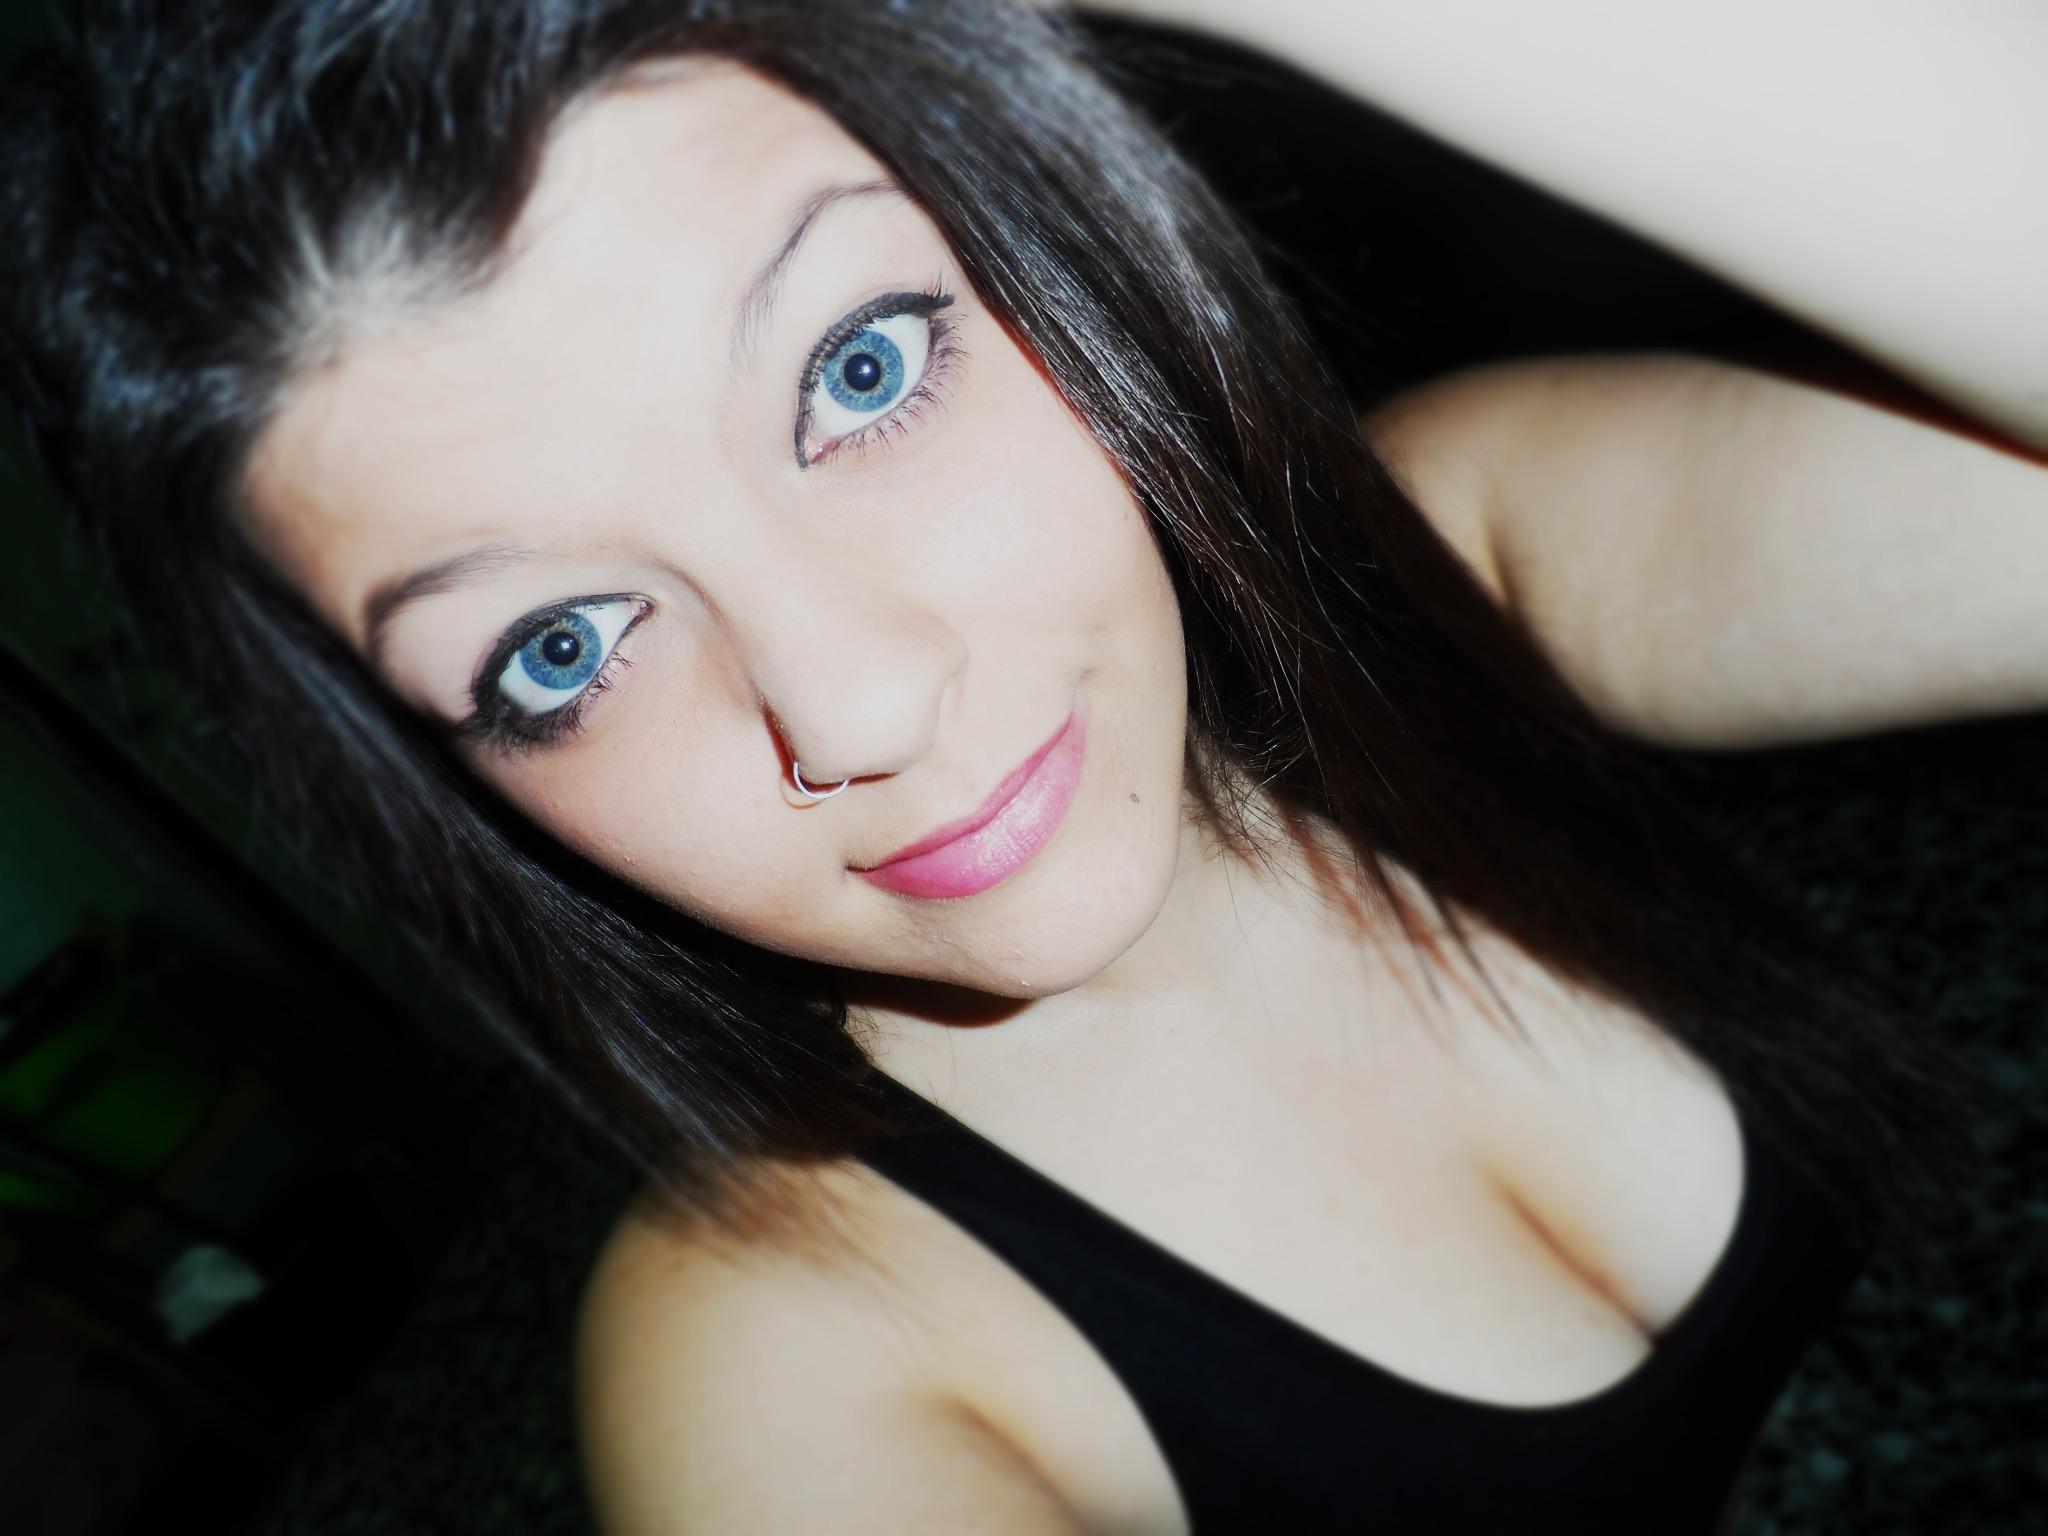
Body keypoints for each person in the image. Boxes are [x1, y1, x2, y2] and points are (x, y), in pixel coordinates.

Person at [0, 1, 2038, 1529]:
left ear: (1045, 229)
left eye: (863, 367)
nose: (861, 705)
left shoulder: (1457, 565)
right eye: (560, 650)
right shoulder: (780, 1374)